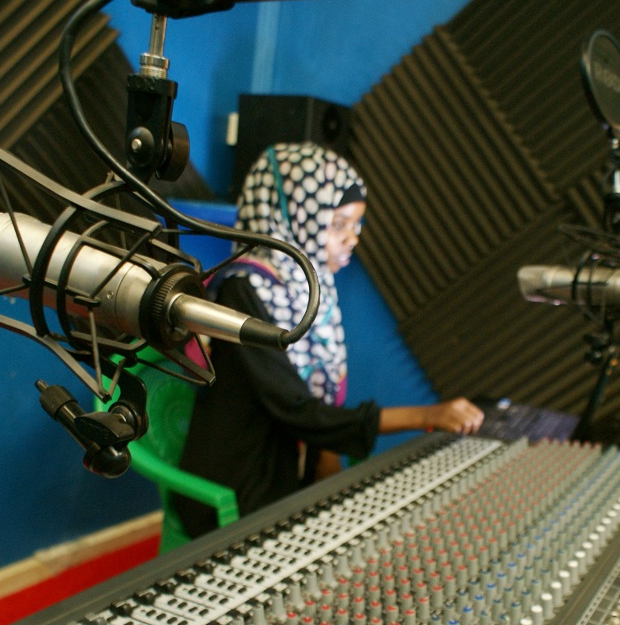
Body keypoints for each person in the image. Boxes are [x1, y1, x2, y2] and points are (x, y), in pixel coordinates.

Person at [174, 142, 484, 538]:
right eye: (338, 225)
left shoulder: (310, 289)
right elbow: (298, 409)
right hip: (238, 486)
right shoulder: (242, 292)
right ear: (291, 216)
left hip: (287, 469)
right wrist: (427, 416)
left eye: (357, 225)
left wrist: (325, 454)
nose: (352, 238)